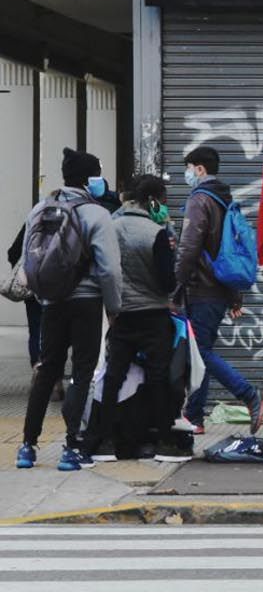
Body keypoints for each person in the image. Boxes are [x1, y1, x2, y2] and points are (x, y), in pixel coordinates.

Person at [16, 148, 121, 471]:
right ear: (91, 179)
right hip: (87, 303)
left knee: (47, 370)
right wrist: (114, 307)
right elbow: (110, 270)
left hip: (51, 303)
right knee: (82, 372)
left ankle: (27, 447)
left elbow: (27, 257)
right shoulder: (95, 213)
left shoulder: (40, 208)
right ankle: (71, 448)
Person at [84, 175, 193, 463]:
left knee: (113, 376)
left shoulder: (112, 227)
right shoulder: (155, 232)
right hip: (154, 316)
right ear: (153, 200)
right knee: (159, 376)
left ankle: (104, 440)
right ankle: (161, 439)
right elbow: (167, 281)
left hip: (121, 316)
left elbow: (103, 269)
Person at [174, 146, 263, 436]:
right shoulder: (224, 199)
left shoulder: (200, 200)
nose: (187, 174)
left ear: (200, 169)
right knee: (200, 352)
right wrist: (234, 295)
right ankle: (194, 416)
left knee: (199, 352)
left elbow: (191, 247)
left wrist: (174, 285)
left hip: (201, 290)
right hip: (216, 290)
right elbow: (225, 250)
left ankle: (248, 394)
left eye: (189, 168)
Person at [8, 226, 60, 402]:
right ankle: (55, 381)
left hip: (33, 288)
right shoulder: (68, 222)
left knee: (36, 330)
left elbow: (12, 252)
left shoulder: (33, 222)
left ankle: (38, 370)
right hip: (57, 290)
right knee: (57, 334)